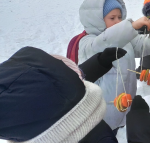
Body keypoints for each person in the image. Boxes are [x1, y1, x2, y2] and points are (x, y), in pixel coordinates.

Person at [78, 0, 150, 135]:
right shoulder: (87, 42)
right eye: (112, 18)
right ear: (97, 20)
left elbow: (147, 42)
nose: (118, 21)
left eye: (120, 17)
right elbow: (103, 45)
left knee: (117, 132)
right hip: (100, 114)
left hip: (123, 106)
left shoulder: (126, 39)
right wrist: (130, 27)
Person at [0, 46, 128, 143]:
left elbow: (56, 90)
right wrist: (139, 128)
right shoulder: (98, 136)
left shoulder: (24, 123)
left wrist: (99, 62)